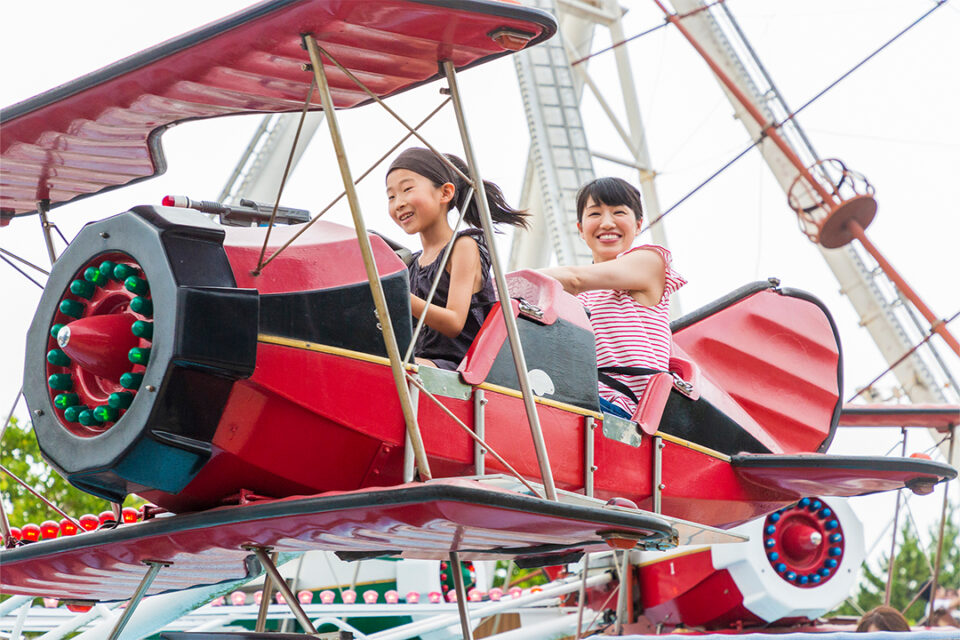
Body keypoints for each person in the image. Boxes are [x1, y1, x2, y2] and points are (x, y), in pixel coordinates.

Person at [540, 177, 686, 418]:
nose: (607, 223)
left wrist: (500, 283)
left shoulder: (650, 262)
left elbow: (576, 279)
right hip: (579, 396)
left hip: (626, 409)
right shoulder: (573, 294)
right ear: (580, 229)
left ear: (638, 225)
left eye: (618, 212)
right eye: (595, 214)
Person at [386, 147, 528, 370]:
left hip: (458, 368)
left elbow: (454, 322)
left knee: (392, 368)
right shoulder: (410, 263)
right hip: (417, 364)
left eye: (407, 189)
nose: (398, 203)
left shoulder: (463, 246)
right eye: (391, 196)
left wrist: (397, 295)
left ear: (445, 193)